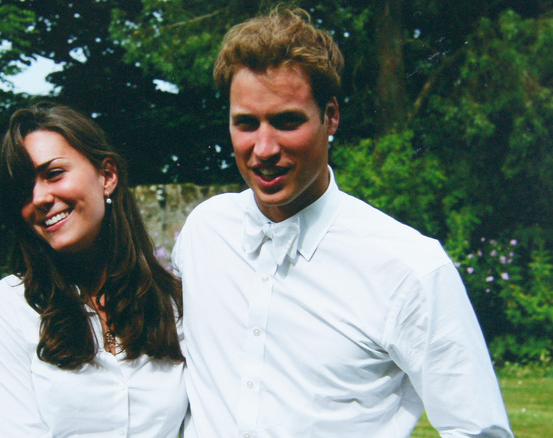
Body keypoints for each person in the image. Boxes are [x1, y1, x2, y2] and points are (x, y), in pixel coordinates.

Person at [172, 8, 513, 438]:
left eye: (286, 121)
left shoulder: (409, 268)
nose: (263, 148)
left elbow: (479, 430)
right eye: (246, 124)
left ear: (330, 116)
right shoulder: (205, 232)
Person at [0, 102, 187, 437]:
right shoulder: (6, 308)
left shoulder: (174, 303)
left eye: (53, 174)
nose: (40, 197)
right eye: (24, 188)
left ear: (107, 175)